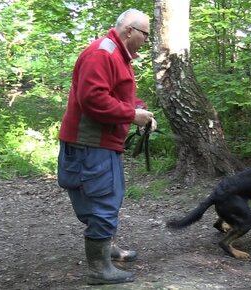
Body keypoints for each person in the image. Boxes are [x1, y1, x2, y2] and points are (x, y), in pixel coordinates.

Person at [57, 9, 156, 285]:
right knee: (102, 201)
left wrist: (139, 110)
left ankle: (106, 248)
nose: (147, 39)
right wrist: (131, 115)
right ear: (129, 31)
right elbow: (94, 100)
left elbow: (116, 95)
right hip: (90, 145)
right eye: (145, 33)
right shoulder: (103, 53)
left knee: (108, 198)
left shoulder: (117, 54)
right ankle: (99, 269)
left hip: (100, 144)